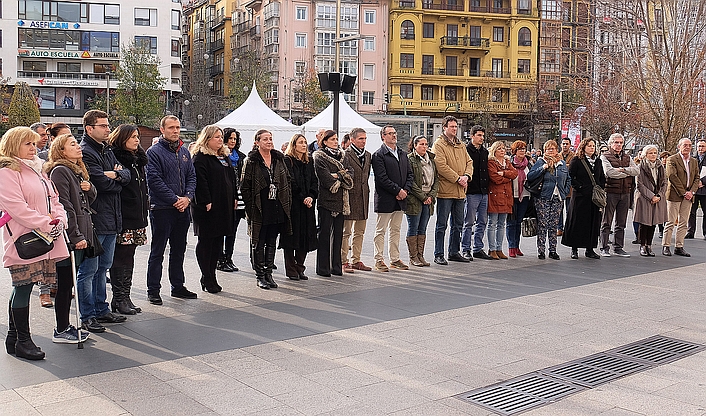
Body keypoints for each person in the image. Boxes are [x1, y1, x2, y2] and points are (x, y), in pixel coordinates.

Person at [0, 126, 69, 360]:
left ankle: (14, 337)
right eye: (27, 143)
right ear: (13, 145)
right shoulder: (8, 171)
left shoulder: (38, 169)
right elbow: (17, 207)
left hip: (43, 237)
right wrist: (46, 223)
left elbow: (54, 199)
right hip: (24, 238)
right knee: (23, 285)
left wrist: (60, 218)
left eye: (34, 143)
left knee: (25, 286)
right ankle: (23, 340)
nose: (34, 147)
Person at [79, 110, 129, 332]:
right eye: (103, 126)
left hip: (111, 218)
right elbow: (99, 182)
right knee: (89, 270)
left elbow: (125, 174)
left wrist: (116, 175)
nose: (108, 129)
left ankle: (102, 309)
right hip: (97, 219)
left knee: (103, 268)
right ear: (90, 128)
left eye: (108, 125)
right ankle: (88, 315)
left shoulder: (107, 149)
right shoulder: (86, 152)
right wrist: (115, 178)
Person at [45, 133, 94, 343]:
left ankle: (65, 325)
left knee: (69, 283)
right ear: (61, 150)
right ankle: (61, 328)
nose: (78, 147)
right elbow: (66, 206)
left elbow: (88, 200)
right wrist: (75, 235)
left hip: (81, 231)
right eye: (72, 144)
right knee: (65, 283)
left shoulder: (77, 171)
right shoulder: (60, 171)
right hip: (68, 236)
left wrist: (89, 187)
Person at [145, 115, 198, 304]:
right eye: (171, 128)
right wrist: (175, 199)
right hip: (162, 209)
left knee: (179, 249)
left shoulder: (184, 151)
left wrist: (188, 197)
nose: (175, 131)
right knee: (158, 251)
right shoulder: (153, 152)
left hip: (182, 209)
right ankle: (153, 290)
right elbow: (154, 181)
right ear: (162, 130)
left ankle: (178, 286)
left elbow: (192, 176)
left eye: (177, 127)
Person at [241, 129, 292, 288]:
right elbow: (245, 186)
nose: (269, 141)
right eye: (265, 139)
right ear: (257, 142)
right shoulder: (251, 161)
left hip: (277, 206)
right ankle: (260, 275)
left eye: (270, 139)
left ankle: (269, 273)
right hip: (260, 207)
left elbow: (287, 181)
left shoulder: (279, 159)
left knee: (271, 241)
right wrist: (250, 209)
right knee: (258, 241)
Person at [190, 125, 236, 293]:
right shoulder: (201, 157)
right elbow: (199, 181)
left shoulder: (224, 155)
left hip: (224, 204)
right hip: (208, 206)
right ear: (207, 138)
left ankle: (212, 275)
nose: (220, 139)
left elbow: (232, 178)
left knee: (218, 241)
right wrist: (206, 200)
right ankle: (206, 276)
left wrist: (234, 198)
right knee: (206, 241)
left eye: (220, 136)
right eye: (217, 137)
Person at [108, 125, 149, 313]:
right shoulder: (115, 157)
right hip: (123, 215)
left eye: (137, 136)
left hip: (138, 215)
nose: (137, 140)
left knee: (130, 256)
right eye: (132, 136)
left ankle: (126, 296)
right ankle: (118, 299)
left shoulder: (138, 159)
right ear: (122, 138)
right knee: (120, 257)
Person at [431, 115, 474, 265]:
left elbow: (469, 161)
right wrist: (458, 178)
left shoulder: (461, 144)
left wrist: (467, 176)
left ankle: (454, 251)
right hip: (446, 190)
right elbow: (441, 166)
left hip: (460, 191)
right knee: (442, 224)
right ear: (444, 127)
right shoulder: (439, 144)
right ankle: (438, 253)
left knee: (458, 223)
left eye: (456, 126)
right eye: (451, 126)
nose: (454, 129)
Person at [372, 125, 414, 272]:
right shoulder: (379, 155)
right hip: (386, 198)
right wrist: (398, 190)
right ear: (383, 136)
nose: (394, 136)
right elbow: (382, 178)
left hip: (401, 198)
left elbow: (410, 174)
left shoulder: (402, 154)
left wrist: (405, 190)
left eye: (394, 133)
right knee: (381, 231)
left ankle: (395, 258)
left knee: (396, 230)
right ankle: (379, 259)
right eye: (390, 133)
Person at [313, 130, 353, 277]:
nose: (336, 141)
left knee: (338, 235)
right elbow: (324, 177)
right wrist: (341, 175)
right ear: (325, 141)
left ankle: (336, 266)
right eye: (332, 139)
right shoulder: (319, 156)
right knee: (324, 235)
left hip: (341, 200)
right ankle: (323, 268)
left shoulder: (343, 155)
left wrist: (339, 175)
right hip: (326, 199)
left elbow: (350, 173)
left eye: (336, 139)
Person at [281, 134, 318, 280]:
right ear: (294, 145)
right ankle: (291, 268)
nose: (304, 145)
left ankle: (300, 267)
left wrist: (311, 196)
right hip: (294, 205)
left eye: (305, 142)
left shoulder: (309, 162)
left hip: (308, 205)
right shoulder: (287, 160)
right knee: (292, 237)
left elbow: (315, 181)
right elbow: (290, 182)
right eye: (300, 142)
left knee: (306, 237)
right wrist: (303, 198)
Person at [561, 138, 606, 259]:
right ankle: (574, 248)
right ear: (583, 147)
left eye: (593, 146)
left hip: (593, 198)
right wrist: (580, 187)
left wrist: (600, 187)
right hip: (580, 197)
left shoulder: (598, 161)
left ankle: (589, 248)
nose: (592, 148)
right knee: (577, 221)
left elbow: (602, 176)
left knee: (592, 222)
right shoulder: (577, 160)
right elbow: (570, 176)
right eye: (589, 146)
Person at [527, 140, 570, 260]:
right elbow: (530, 176)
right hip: (544, 197)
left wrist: (565, 191)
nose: (551, 151)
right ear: (545, 150)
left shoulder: (561, 163)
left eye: (553, 149)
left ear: (557, 150)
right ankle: (541, 250)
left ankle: (553, 250)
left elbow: (568, 178)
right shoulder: (541, 161)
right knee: (543, 224)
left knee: (553, 225)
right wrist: (543, 168)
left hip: (558, 197)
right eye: (548, 149)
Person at [600, 133, 639, 257]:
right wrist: (627, 172)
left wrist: (623, 170)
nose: (619, 145)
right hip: (611, 192)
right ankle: (604, 247)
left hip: (625, 192)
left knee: (621, 223)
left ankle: (618, 247)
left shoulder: (627, 157)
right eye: (616, 142)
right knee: (606, 221)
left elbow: (636, 171)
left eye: (621, 142)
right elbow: (610, 172)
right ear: (611, 143)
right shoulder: (604, 156)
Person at [29, 122, 54, 307]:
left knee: (49, 255)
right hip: (31, 217)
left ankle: (49, 288)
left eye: (46, 134)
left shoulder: (45, 158)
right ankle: (42, 292)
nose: (44, 137)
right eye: (41, 135)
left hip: (48, 213)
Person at [342, 128, 373, 272]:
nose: (364, 141)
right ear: (352, 139)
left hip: (363, 197)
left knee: (360, 231)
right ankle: (343, 261)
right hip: (349, 196)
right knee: (346, 232)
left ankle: (356, 259)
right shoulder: (345, 155)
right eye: (361, 139)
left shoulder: (368, 155)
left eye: (365, 138)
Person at [662, 138, 699, 256]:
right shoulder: (672, 159)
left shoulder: (693, 161)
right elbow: (672, 176)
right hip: (675, 195)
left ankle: (679, 246)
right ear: (679, 146)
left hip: (688, 196)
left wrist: (691, 192)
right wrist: (684, 192)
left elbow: (697, 178)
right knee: (670, 221)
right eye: (685, 145)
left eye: (689, 145)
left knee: (684, 222)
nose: (687, 147)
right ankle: (666, 245)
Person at [405, 136, 438, 266]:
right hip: (415, 198)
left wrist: (431, 195)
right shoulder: (410, 159)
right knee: (414, 227)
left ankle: (420, 255)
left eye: (426, 144)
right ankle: (413, 257)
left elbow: (437, 179)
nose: (425, 146)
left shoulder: (431, 160)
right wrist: (423, 197)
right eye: (421, 144)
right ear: (414, 145)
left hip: (428, 198)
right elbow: (410, 181)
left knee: (423, 228)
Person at [217, 128, 246, 273]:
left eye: (235, 139)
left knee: (232, 230)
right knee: (222, 229)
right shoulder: (220, 155)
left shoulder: (241, 157)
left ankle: (228, 257)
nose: (232, 141)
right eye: (230, 138)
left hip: (238, 197)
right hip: (224, 197)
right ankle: (220, 259)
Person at [462, 125, 492, 260]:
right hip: (471, 191)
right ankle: (466, 249)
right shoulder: (466, 150)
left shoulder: (485, 152)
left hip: (483, 191)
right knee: (468, 222)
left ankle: (478, 248)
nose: (482, 138)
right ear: (472, 136)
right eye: (479, 135)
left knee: (482, 221)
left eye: (482, 136)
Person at [633, 145, 667, 257]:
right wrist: (651, 196)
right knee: (644, 222)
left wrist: (659, 196)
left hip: (657, 198)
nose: (653, 155)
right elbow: (639, 184)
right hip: (644, 197)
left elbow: (664, 183)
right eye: (650, 153)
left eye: (655, 153)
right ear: (645, 155)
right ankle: (643, 245)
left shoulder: (660, 166)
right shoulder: (640, 166)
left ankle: (649, 245)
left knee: (653, 223)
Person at [486, 141, 517, 260]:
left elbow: (514, 174)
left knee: (501, 224)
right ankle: (492, 249)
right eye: (499, 149)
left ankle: (499, 248)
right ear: (494, 150)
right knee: (492, 223)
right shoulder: (491, 162)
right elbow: (495, 178)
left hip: (506, 196)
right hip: (495, 195)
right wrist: (507, 178)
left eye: (503, 148)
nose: (502, 151)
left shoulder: (507, 162)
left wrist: (504, 173)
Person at [507, 140, 533, 257]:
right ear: (514, 151)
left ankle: (517, 246)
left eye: (524, 149)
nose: (522, 151)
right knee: (511, 222)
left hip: (525, 196)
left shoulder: (529, 164)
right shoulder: (509, 163)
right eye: (520, 149)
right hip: (512, 196)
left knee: (519, 222)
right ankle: (511, 247)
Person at [686, 139, 706, 239]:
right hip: (693, 189)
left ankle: (705, 232)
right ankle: (690, 231)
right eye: (699, 146)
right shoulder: (692, 159)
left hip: (704, 189)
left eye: (702, 146)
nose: (700, 148)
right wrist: (695, 183)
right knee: (691, 211)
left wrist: (703, 182)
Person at [558, 138, 575, 237]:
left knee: (570, 209)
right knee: (559, 209)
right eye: (563, 144)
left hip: (570, 186)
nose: (565, 145)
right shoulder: (558, 156)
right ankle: (559, 228)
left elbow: (573, 167)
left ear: (570, 145)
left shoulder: (574, 156)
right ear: (561, 145)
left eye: (567, 144)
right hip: (560, 185)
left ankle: (568, 228)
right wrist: (567, 166)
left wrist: (565, 166)